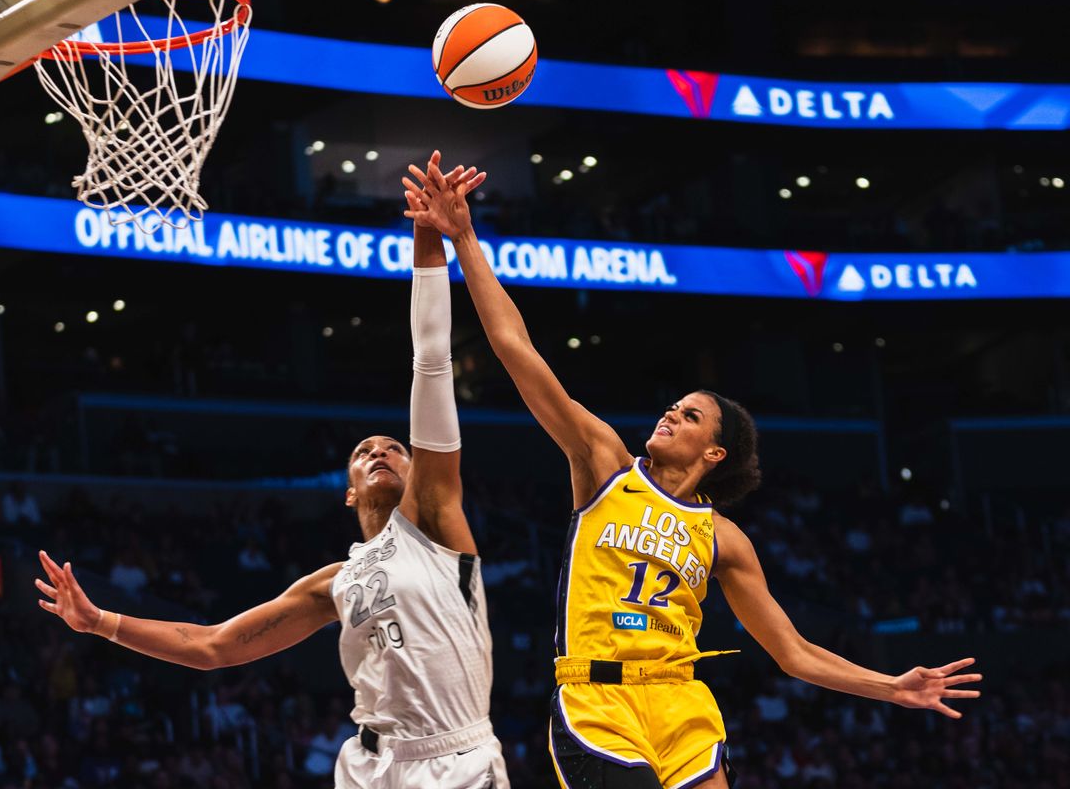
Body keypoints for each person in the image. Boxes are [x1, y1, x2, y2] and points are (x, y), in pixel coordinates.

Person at [403, 152, 981, 789]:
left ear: (715, 453)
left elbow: (793, 653)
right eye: (673, 407)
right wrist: (464, 238)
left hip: (682, 706)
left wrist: (891, 687)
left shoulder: (723, 539)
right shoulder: (603, 465)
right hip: (597, 701)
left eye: (691, 415)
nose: (671, 414)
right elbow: (515, 348)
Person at [36, 159, 509, 789]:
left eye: (395, 446)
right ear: (347, 492)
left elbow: (431, 360)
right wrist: (102, 624)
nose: (380, 452)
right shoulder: (334, 584)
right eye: (365, 451)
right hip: (370, 765)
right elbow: (213, 647)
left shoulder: (440, 524)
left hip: (456, 759)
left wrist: (430, 235)